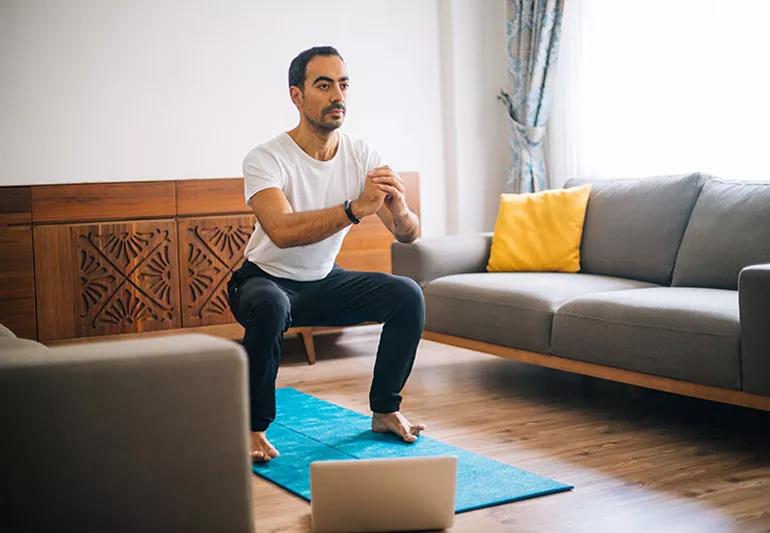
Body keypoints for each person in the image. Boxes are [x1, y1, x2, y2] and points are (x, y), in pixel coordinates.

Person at [227, 46, 426, 462]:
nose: (338, 95)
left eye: (343, 84)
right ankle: (251, 427)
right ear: (297, 96)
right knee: (269, 306)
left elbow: (407, 234)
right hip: (264, 280)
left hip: (323, 281)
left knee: (407, 295)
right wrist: (354, 210)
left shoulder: (362, 155)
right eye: (323, 85)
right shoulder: (265, 158)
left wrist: (400, 208)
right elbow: (281, 231)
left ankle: (385, 409)